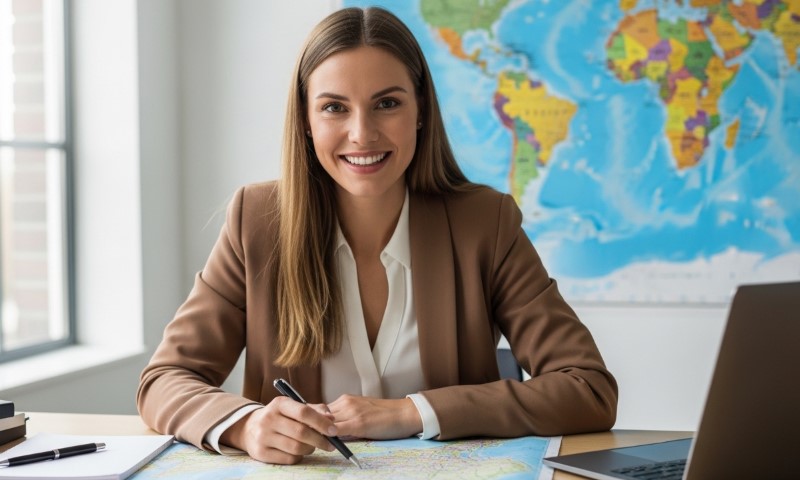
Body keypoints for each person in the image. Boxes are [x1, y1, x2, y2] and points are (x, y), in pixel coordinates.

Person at [137, 6, 618, 466]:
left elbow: (587, 388)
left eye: (387, 103)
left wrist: (413, 412)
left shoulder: (484, 223)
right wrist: (245, 424)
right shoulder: (257, 220)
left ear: (421, 111)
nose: (361, 133)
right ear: (306, 121)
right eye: (334, 108)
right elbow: (164, 380)